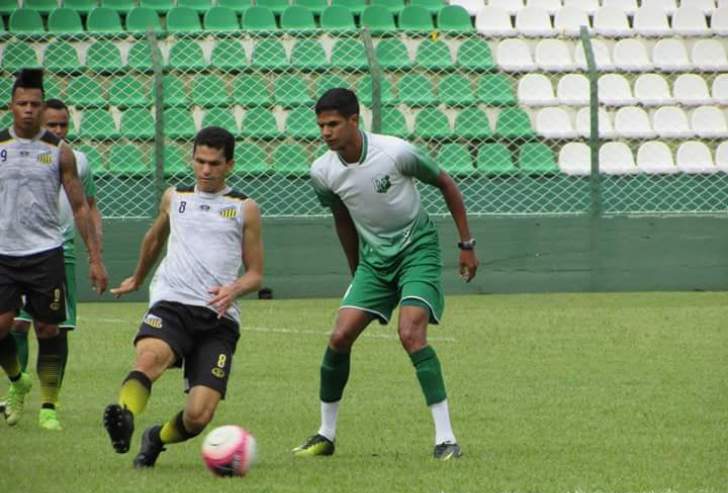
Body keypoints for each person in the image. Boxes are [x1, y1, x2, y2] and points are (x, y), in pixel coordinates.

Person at [292, 88, 479, 460]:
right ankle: (325, 434)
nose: (325, 133)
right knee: (339, 336)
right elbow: (341, 217)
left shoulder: (395, 153)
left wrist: (466, 244)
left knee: (410, 334)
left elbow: (445, 183)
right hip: (374, 262)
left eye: (332, 124)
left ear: (354, 121)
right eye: (320, 126)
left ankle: (446, 438)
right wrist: (355, 269)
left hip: (417, 249)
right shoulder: (322, 172)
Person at [103, 126, 263, 469]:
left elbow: (255, 274)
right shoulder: (174, 197)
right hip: (172, 303)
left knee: (198, 416)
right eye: (200, 161)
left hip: (218, 319)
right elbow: (154, 239)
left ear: (230, 164)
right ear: (192, 159)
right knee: (148, 359)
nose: (205, 170)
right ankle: (125, 416)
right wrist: (137, 277)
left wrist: (233, 289)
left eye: (214, 163)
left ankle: (155, 437)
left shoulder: (244, 208)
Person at [0, 69, 107, 427]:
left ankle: (49, 407)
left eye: (35, 103)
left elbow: (80, 206)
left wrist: (95, 258)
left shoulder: (60, 153)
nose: (29, 110)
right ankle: (17, 380)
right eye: (22, 103)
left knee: (49, 330)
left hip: (46, 252)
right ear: (11, 106)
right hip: (4, 252)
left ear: (43, 106)